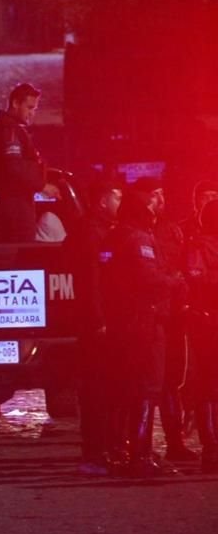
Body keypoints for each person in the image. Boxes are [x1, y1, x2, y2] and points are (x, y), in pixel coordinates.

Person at [105, 189, 186, 477]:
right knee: (146, 389)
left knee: (128, 388)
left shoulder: (113, 235)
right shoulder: (138, 239)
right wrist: (175, 281)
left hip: (123, 322)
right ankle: (141, 455)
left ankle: (123, 450)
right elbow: (148, 280)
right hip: (144, 321)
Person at [133, 177, 199, 461]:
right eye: (155, 195)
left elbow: (183, 265)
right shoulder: (136, 231)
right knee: (148, 383)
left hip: (173, 315)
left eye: (162, 194)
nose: (160, 200)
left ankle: (174, 441)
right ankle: (137, 447)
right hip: (149, 316)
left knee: (172, 380)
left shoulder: (171, 230)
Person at [65, 176, 122, 474]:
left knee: (108, 389)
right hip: (95, 323)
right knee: (97, 390)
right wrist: (98, 318)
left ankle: (108, 449)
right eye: (116, 197)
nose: (119, 203)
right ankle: (95, 453)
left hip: (103, 320)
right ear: (102, 200)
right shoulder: (89, 232)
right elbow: (91, 281)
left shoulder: (102, 229)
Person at [0, 83, 60, 242]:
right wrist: (42, 186)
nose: (32, 114)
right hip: (17, 203)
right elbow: (14, 166)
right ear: (16, 103)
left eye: (34, 109)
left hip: (14, 200)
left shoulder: (1, 124)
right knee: (22, 247)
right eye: (29, 108)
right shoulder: (10, 129)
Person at [184, 198, 218, 472]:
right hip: (207, 322)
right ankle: (211, 447)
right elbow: (195, 278)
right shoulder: (198, 246)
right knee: (208, 386)